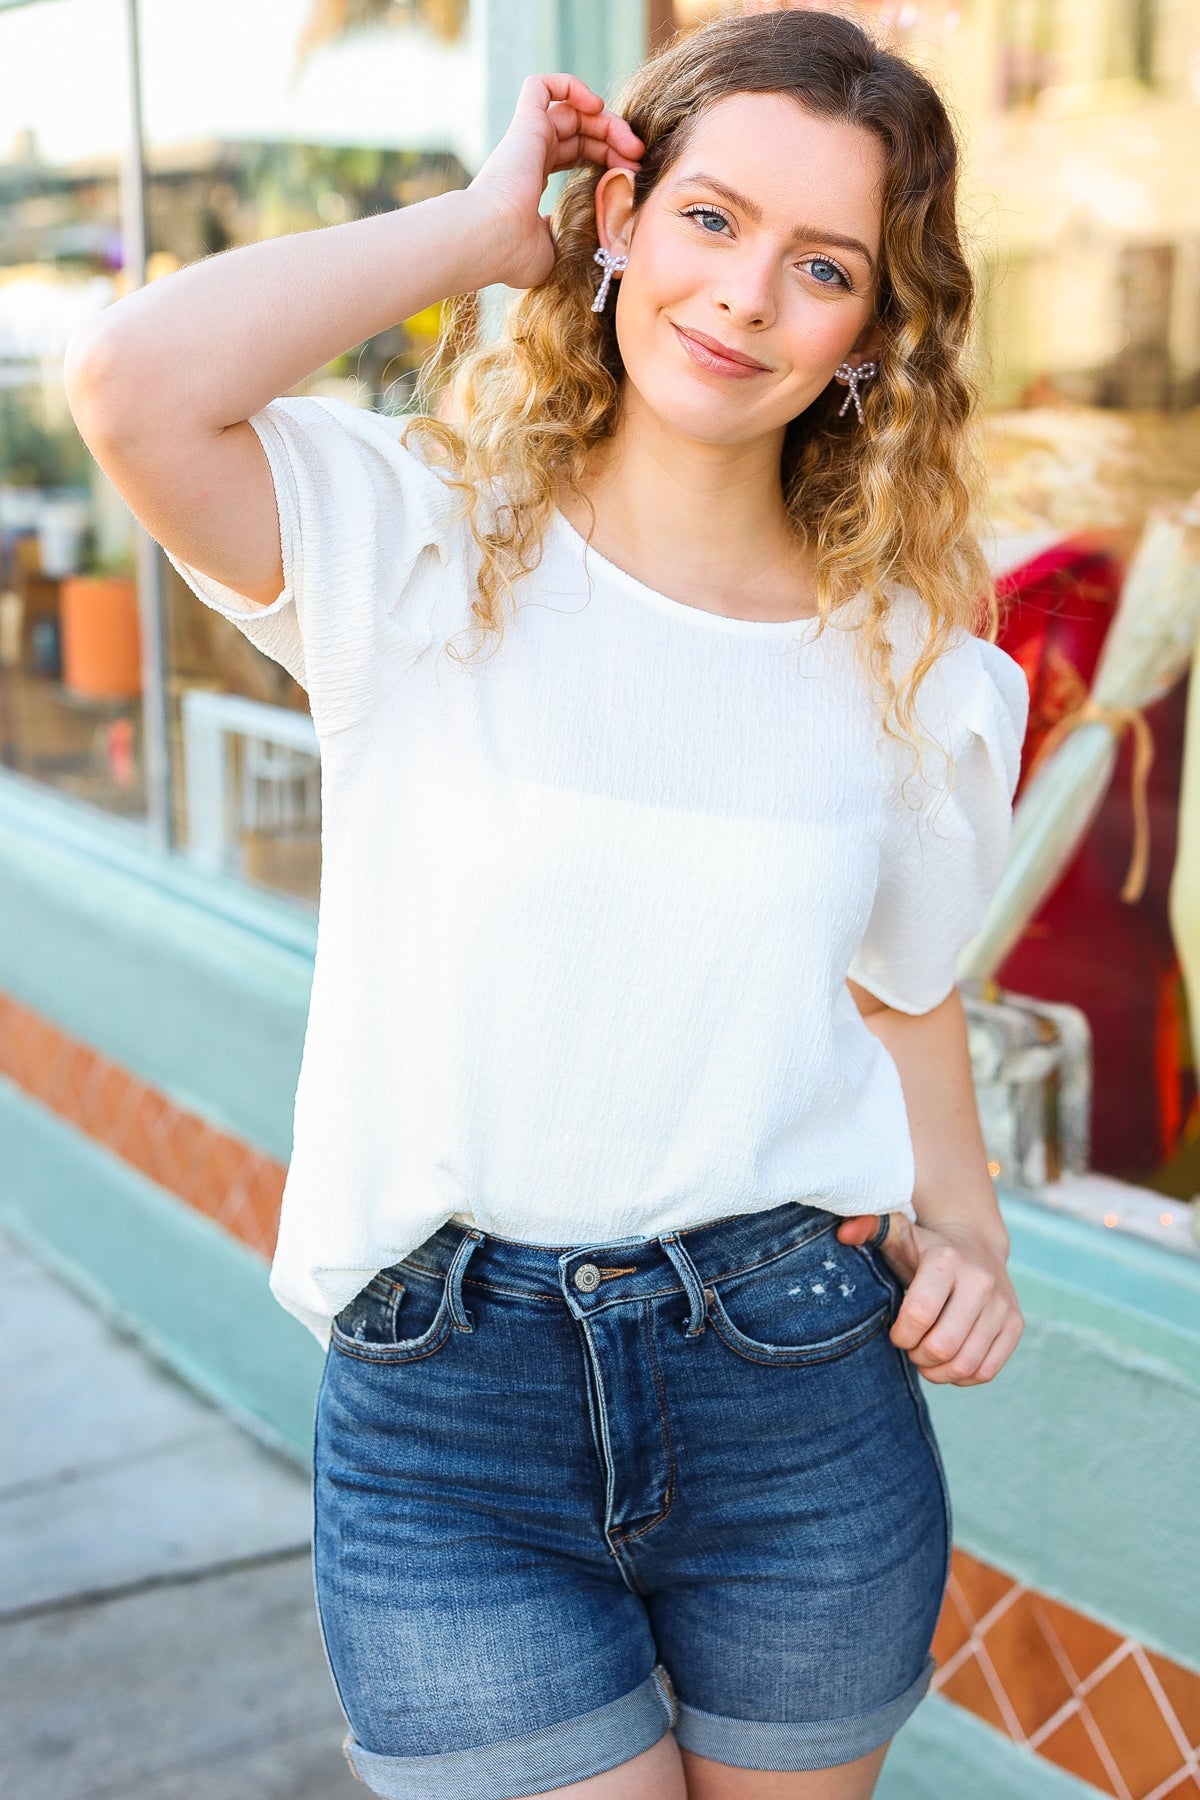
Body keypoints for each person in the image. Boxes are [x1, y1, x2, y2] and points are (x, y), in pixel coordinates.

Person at [63, 10, 1030, 1798]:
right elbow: (130, 383)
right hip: (448, 1412)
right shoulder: (421, 540)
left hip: (797, 1394)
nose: (744, 297)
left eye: (822, 265)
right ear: (622, 219)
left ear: (873, 331)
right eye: (710, 220)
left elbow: (906, 988)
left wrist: (964, 1236)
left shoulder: (913, 673)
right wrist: (483, 227)